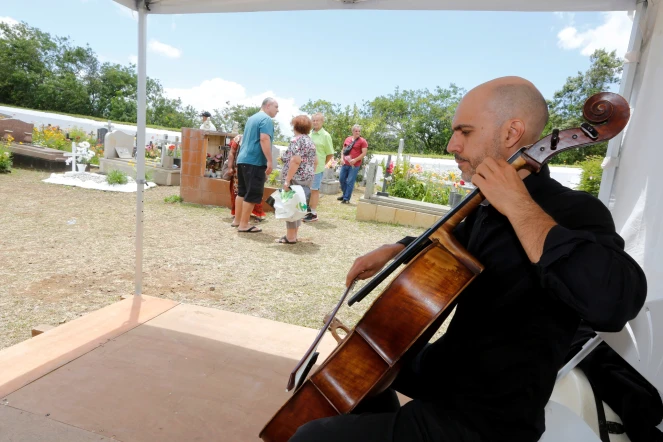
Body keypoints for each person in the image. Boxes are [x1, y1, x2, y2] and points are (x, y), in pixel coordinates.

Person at [289, 76, 647, 442]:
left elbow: (616, 302)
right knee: (356, 373)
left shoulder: (575, 211)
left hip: (487, 417)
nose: (451, 145)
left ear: (511, 133)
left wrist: (520, 206)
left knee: (311, 438)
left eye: (465, 132)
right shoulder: (484, 209)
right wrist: (396, 250)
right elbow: (449, 246)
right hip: (453, 370)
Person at [234, 97, 278, 233]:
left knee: (242, 191)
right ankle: (244, 224)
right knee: (252, 193)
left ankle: (237, 220)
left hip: (242, 159)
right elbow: (264, 139)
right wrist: (270, 160)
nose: (278, 110)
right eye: (276, 107)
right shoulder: (266, 120)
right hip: (254, 161)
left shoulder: (251, 118)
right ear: (268, 106)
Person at [277, 115, 317, 244]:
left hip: (295, 177)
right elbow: (315, 161)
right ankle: (293, 235)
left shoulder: (296, 141)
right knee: (299, 206)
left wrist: (287, 180)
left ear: (295, 126)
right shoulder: (310, 142)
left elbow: (295, 160)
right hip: (307, 178)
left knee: (290, 206)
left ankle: (290, 237)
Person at [227, 134, 266, 223]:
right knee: (240, 191)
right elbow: (232, 152)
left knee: (251, 191)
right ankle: (238, 216)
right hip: (241, 168)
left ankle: (253, 214)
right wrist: (230, 167)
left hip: (250, 167)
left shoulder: (260, 137)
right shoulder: (239, 138)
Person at [304, 113, 334, 222]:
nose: (315, 122)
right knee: (307, 190)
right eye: (313, 120)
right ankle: (307, 211)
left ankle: (313, 213)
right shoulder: (309, 134)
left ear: (322, 122)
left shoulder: (326, 135)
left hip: (317, 168)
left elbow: (330, 153)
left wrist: (322, 164)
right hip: (306, 168)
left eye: (318, 120)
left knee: (314, 190)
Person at [338, 124, 368, 204]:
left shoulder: (362, 141)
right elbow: (343, 150)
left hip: (354, 165)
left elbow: (364, 153)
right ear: (352, 131)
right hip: (345, 163)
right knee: (341, 179)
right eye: (356, 131)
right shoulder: (347, 139)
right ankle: (345, 194)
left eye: (359, 131)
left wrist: (355, 159)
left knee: (350, 181)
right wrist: (341, 158)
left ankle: (346, 198)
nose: (358, 132)